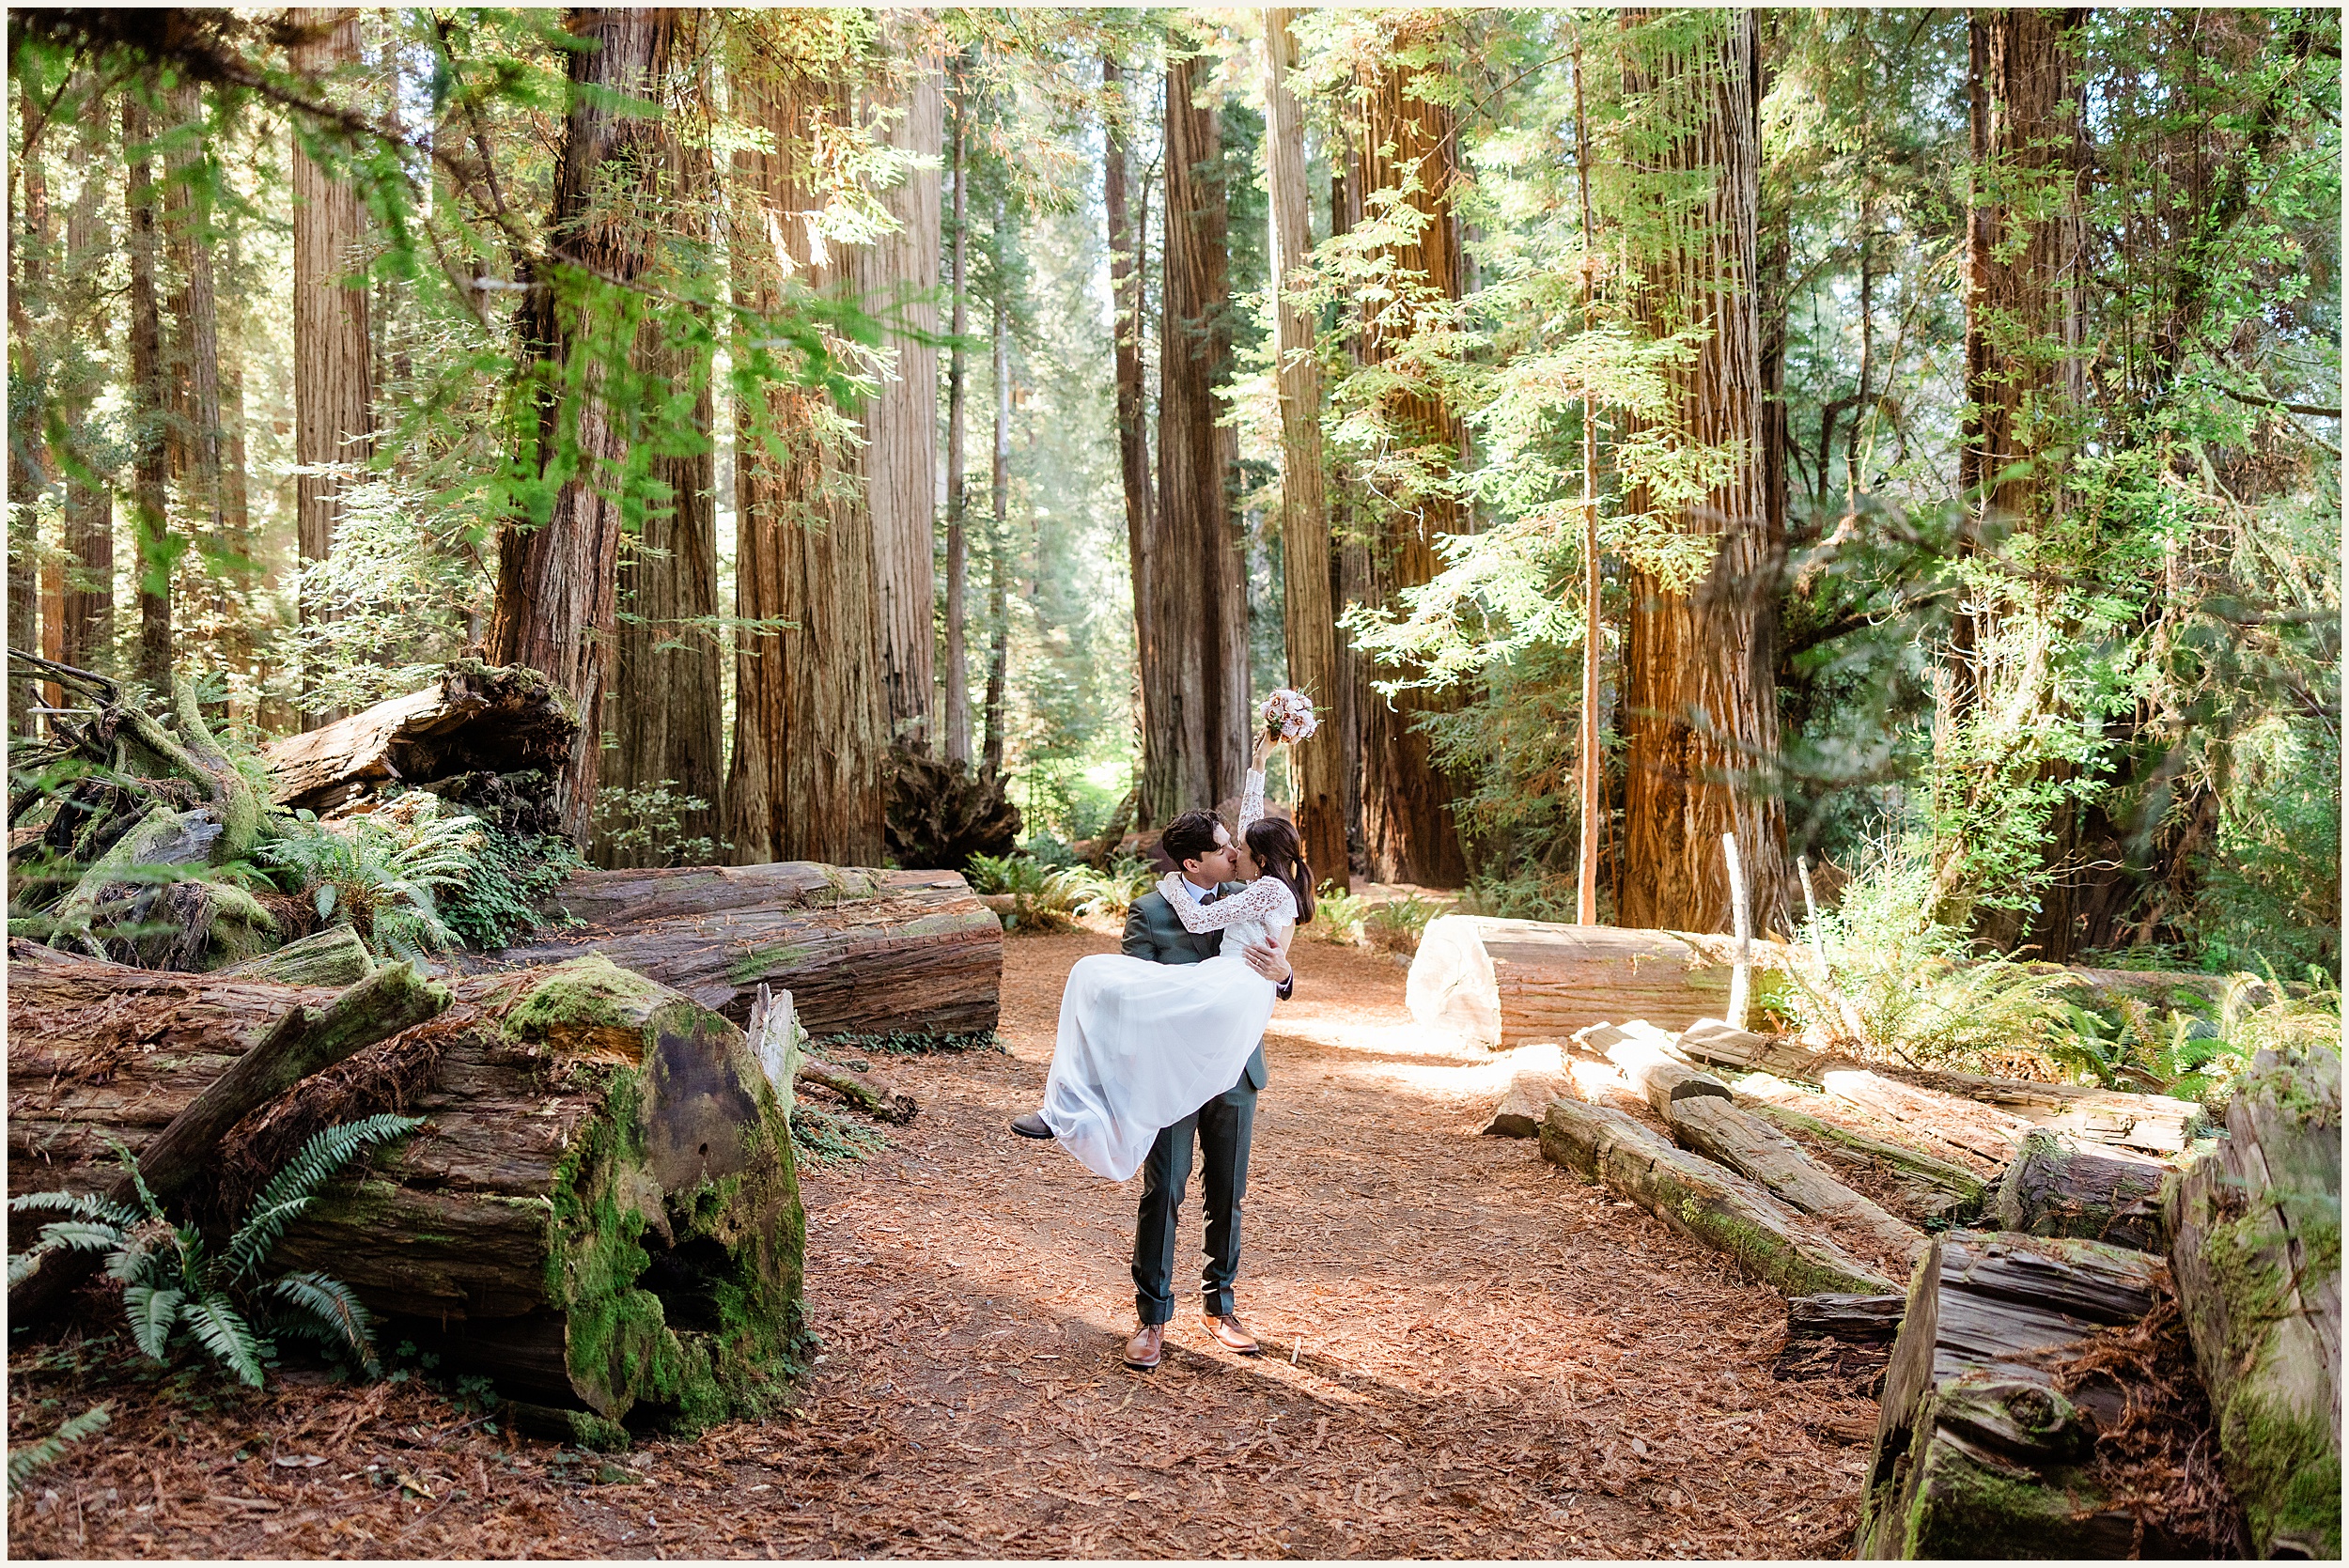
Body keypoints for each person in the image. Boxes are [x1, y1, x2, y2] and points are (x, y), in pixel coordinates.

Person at [1009, 733, 1314, 1370]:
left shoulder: (1244, 890)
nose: (1234, 851)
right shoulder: (1150, 910)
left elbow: (1274, 962)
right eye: (1224, 847)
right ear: (1194, 864)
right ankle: (1152, 1317)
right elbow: (1132, 996)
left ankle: (1221, 1305)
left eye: (1238, 847)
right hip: (1168, 1070)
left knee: (1227, 1191)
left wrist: (1284, 973)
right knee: (1164, 1189)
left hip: (1233, 1066)